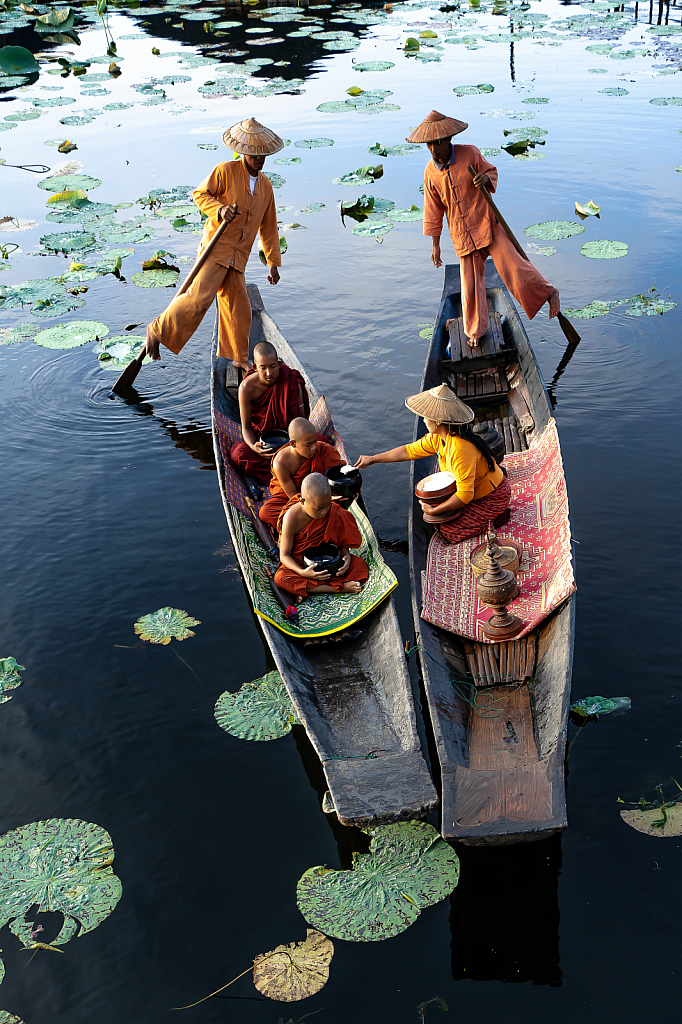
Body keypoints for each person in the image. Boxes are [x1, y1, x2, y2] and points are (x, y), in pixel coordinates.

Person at [406, 110, 560, 347]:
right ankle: (476, 333)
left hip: (488, 224)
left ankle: (549, 293)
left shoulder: (470, 153)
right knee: (470, 288)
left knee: (515, 268)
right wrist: (435, 245)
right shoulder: (430, 173)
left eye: (437, 142)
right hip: (463, 235)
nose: (434, 149)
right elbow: (433, 210)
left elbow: (491, 171)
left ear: (448, 139)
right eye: (429, 144)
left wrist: (484, 179)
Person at [144, 117, 283, 372]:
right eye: (254, 154)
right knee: (199, 298)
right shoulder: (226, 170)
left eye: (262, 154)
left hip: (238, 257)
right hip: (216, 249)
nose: (258, 158)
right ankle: (156, 330)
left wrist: (273, 263)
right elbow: (200, 194)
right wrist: (220, 210)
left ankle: (239, 359)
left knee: (240, 309)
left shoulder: (266, 186)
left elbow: (269, 226)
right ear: (244, 152)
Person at [354, 384, 510, 545]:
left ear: (438, 421)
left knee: (450, 531)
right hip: (473, 492)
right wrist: (373, 459)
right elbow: (408, 452)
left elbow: (465, 495)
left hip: (492, 496)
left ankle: (497, 518)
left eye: (426, 417)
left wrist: (435, 510)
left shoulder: (460, 449)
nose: (424, 420)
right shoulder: (436, 438)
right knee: (438, 519)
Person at [274, 474, 369, 598]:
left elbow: (339, 538)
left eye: (327, 506)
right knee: (281, 578)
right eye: (318, 509)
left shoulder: (332, 509)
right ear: (302, 501)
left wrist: (346, 555)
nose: (324, 512)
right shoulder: (291, 518)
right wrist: (303, 573)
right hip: (301, 560)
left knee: (360, 565)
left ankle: (304, 589)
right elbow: (285, 555)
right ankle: (338, 588)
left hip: (327, 558)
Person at [230, 341, 309, 484]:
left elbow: (302, 421)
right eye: (263, 368)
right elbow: (246, 427)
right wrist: (254, 447)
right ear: (255, 368)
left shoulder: (290, 380)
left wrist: (296, 445)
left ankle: (282, 473)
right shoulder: (246, 388)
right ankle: (285, 475)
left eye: (273, 367)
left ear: (279, 364)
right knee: (238, 454)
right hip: (265, 446)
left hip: (290, 443)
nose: (269, 373)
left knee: (322, 443)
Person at [259, 417, 343, 530]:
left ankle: (303, 527)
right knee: (266, 512)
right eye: (308, 445)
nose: (314, 448)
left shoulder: (321, 449)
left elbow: (338, 473)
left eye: (315, 441)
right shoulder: (280, 462)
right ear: (293, 443)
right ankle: (317, 525)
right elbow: (294, 497)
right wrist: (318, 503)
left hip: (320, 493)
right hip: (298, 499)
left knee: (341, 498)